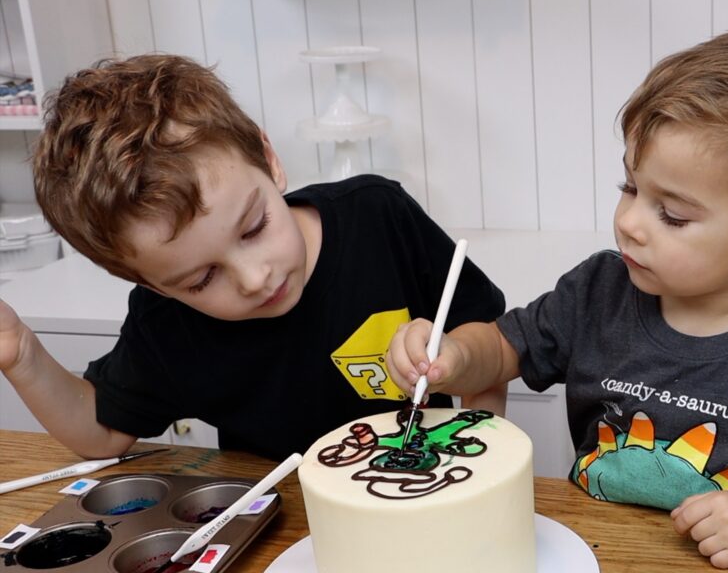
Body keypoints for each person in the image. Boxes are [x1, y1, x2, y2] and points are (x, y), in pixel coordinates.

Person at [387, 24, 728, 568]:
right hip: (596, 550)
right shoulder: (596, 290)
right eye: (630, 188)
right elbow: (499, 349)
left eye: (673, 215)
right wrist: (451, 355)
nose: (630, 223)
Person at [0, 54, 506, 462]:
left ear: (269, 160)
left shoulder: (379, 218)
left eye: (254, 227)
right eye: (201, 280)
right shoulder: (165, 323)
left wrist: (486, 460)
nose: (255, 278)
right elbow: (102, 433)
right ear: (153, 285)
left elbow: (492, 349)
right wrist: (23, 355)